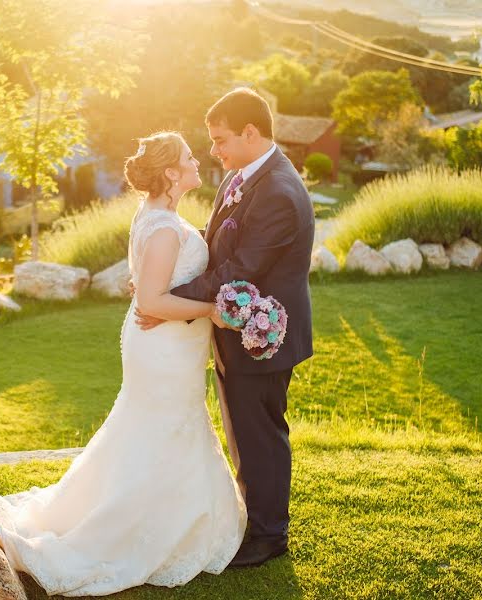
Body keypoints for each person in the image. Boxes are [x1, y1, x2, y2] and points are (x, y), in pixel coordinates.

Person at [0, 131, 247, 596]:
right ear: (170, 173)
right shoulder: (163, 227)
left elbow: (147, 284)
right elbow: (153, 299)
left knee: (149, 431)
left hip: (166, 346)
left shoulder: (158, 217)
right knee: (158, 430)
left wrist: (159, 294)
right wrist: (211, 310)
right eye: (188, 157)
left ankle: (162, 514)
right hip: (161, 348)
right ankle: (124, 529)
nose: (197, 161)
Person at [137, 87, 315, 567]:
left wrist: (168, 301)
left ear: (251, 133)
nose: (213, 151)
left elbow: (240, 270)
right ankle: (253, 515)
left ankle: (269, 533)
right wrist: (163, 281)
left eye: (220, 140)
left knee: (260, 434)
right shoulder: (242, 176)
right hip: (232, 331)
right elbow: (216, 243)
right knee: (243, 430)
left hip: (262, 338)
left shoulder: (278, 191)